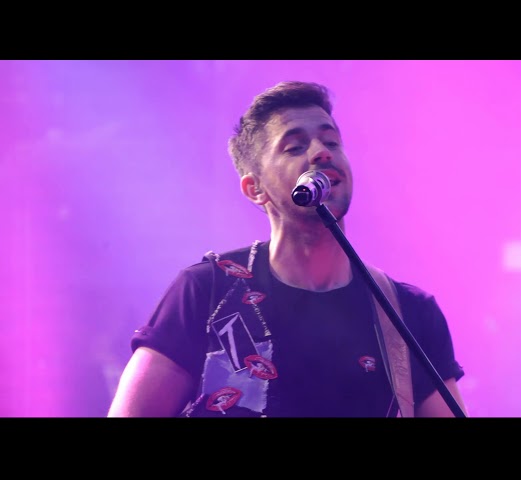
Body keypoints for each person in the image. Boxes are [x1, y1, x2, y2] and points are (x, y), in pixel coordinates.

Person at [107, 80, 468, 418]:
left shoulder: (408, 312)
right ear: (255, 189)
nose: (321, 153)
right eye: (295, 147)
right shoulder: (207, 290)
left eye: (331, 142)